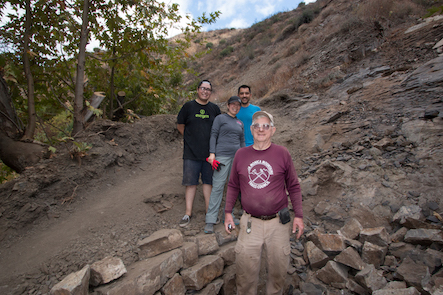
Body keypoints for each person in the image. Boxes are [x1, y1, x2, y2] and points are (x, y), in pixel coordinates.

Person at [224, 111, 304, 295]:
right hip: (250, 223)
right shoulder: (240, 154)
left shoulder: (282, 153)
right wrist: (228, 212)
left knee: (277, 275)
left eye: (266, 126)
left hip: (278, 224)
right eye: (257, 126)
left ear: (273, 130)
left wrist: (298, 216)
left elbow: (293, 186)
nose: (261, 129)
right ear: (251, 130)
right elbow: (233, 185)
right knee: (245, 275)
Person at [176, 80, 221, 227]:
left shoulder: (214, 109)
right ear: (197, 90)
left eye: (208, 89)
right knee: (191, 183)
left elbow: (219, 128)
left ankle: (210, 213)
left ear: (210, 92)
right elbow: (180, 125)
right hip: (191, 153)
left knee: (209, 182)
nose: (205, 91)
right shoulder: (188, 107)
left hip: (210, 154)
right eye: (203, 88)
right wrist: (190, 139)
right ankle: (188, 213)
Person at [204, 96, 245, 234]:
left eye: (238, 105)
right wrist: (212, 154)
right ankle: (210, 219)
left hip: (237, 158)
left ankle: (228, 215)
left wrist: (243, 157)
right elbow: (213, 135)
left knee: (233, 187)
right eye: (233, 104)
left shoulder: (240, 123)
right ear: (228, 105)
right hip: (221, 156)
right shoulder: (220, 118)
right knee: (218, 187)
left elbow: (242, 141)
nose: (235, 106)